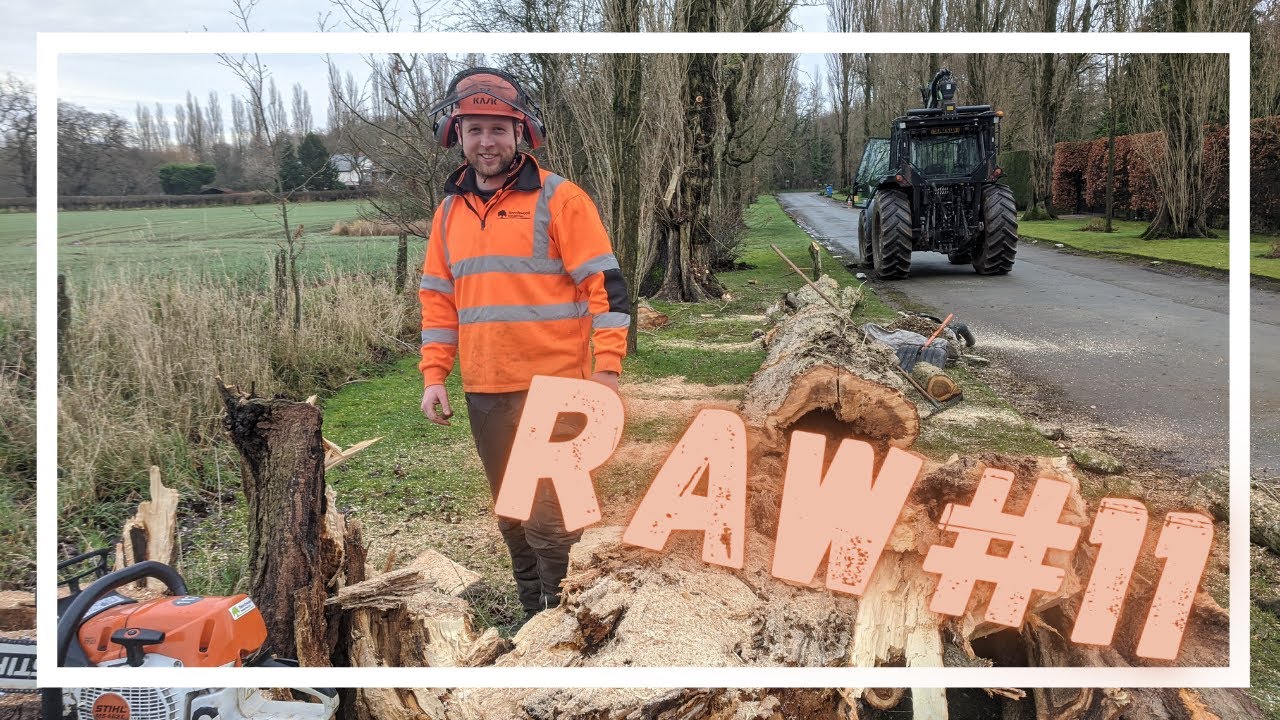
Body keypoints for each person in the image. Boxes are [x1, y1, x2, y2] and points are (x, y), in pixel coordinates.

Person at [417, 67, 630, 627]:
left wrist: (607, 371)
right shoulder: (448, 213)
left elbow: (607, 288)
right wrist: (434, 376)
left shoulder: (562, 199)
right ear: (456, 135)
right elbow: (438, 302)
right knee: (512, 513)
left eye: (497, 129)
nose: (486, 142)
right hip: (485, 388)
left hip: (558, 389)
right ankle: (534, 620)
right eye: (475, 130)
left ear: (520, 133)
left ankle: (569, 623)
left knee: (554, 520)